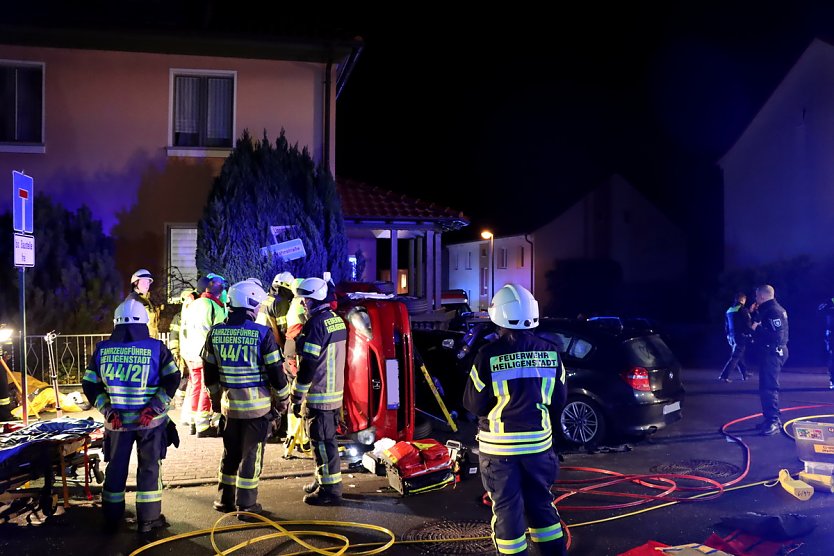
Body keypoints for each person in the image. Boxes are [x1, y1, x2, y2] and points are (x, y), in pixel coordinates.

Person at [463, 284, 567, 556]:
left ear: (498, 316)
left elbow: (473, 404)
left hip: (499, 450)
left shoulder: (488, 355)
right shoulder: (551, 351)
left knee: (508, 510)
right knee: (542, 504)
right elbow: (559, 400)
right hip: (539, 446)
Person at [82, 298, 181, 534]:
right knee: (149, 468)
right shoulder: (157, 348)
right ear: (144, 322)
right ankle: (148, 520)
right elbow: (172, 379)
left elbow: (90, 384)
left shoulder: (103, 350)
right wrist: (154, 408)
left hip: (116, 424)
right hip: (150, 423)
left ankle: (112, 517)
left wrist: (108, 410)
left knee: (116, 468)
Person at [203, 280, 290, 519]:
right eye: (258, 305)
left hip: (229, 408)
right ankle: (247, 505)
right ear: (250, 303)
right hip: (256, 411)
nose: (259, 309)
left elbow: (209, 375)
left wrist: (215, 405)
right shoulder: (262, 334)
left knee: (230, 453)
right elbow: (276, 373)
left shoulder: (215, 332)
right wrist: (283, 400)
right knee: (251, 456)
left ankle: (224, 500)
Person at [290, 276, 347, 505]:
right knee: (323, 441)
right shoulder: (335, 320)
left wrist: (297, 394)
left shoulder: (315, 325)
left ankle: (330, 490)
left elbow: (309, 365)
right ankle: (321, 478)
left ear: (314, 300)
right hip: (333, 394)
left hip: (320, 394)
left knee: (323, 443)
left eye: (305, 300)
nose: (303, 304)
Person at [181, 273, 228, 437]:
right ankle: (202, 426)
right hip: (206, 353)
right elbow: (219, 333)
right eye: (220, 283)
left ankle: (194, 422)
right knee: (206, 387)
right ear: (211, 285)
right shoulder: (213, 305)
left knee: (195, 386)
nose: (223, 286)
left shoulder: (195, 304)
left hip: (191, 352)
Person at [752, 284, 789, 436]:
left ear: (761, 296)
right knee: (765, 387)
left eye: (756, 296)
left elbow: (777, 336)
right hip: (771, 352)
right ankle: (770, 419)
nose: (755, 299)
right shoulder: (769, 308)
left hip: (773, 352)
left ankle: (773, 421)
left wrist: (757, 329)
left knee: (769, 387)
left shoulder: (773, 311)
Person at [170, 289, 198, 409]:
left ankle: (186, 401)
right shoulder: (179, 317)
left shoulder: (195, 314)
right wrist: (175, 351)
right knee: (184, 376)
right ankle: (179, 400)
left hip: (191, 350)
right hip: (182, 352)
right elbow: (174, 335)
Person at [717, 292, 753, 382]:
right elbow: (747, 323)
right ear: (743, 300)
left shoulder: (730, 310)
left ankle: (745, 374)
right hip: (740, 336)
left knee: (739, 355)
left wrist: (728, 335)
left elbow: (726, 324)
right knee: (736, 356)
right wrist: (750, 334)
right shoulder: (743, 310)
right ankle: (724, 376)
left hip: (731, 336)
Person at [256, 271, 295, 351]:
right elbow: (284, 329)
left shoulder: (265, 297)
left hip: (260, 341)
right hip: (274, 345)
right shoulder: (281, 302)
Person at [126, 269, 160, 338]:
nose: (146, 285)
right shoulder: (133, 299)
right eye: (144, 282)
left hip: (150, 341)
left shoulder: (148, 301)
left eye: (148, 282)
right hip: (140, 343)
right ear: (135, 283)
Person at [818, 294, 834, 389]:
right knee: (832, 357)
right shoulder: (829, 302)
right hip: (832, 333)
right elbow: (819, 310)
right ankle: (833, 380)